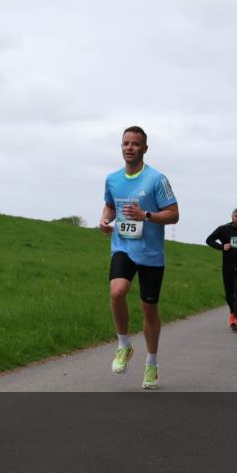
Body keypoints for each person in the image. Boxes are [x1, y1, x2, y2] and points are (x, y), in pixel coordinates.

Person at [99, 126, 179, 389]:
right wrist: (105, 219)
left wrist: (146, 215)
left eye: (135, 144)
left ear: (145, 148)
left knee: (149, 310)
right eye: (125, 143)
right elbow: (111, 205)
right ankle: (124, 345)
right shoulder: (112, 179)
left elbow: (173, 214)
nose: (129, 148)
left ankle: (151, 364)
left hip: (151, 255)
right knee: (117, 291)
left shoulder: (156, 179)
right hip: (123, 246)